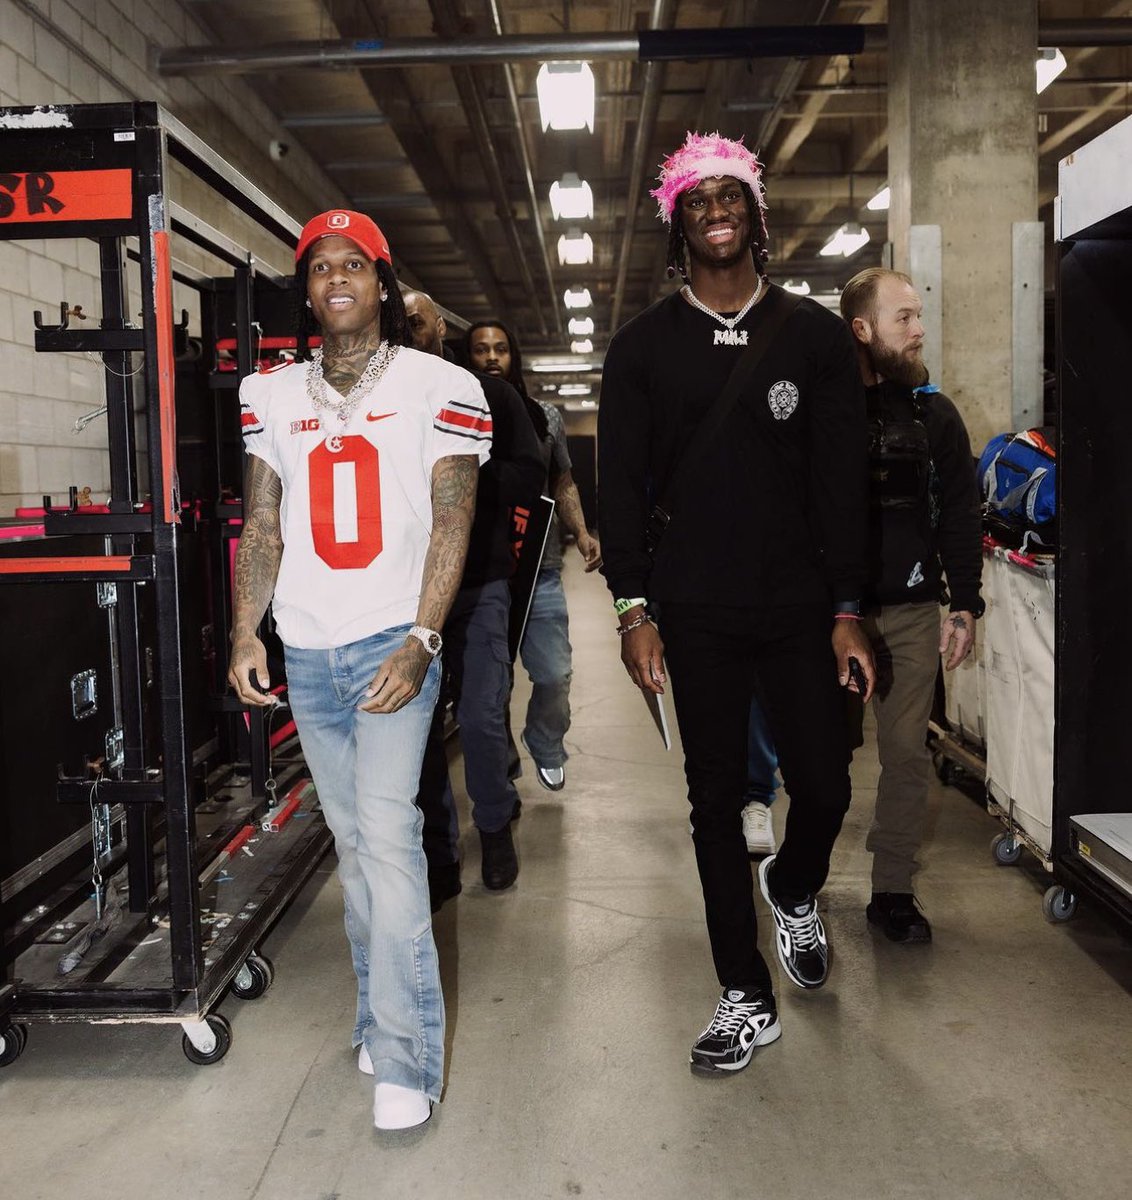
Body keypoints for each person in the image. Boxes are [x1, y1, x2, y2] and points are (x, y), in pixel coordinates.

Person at [598, 131, 875, 1076]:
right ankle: (744, 994)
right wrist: (634, 611)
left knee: (826, 783)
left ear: (757, 214)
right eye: (697, 198)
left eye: (731, 195)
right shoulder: (642, 347)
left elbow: (841, 482)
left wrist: (847, 606)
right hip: (695, 608)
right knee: (713, 801)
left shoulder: (815, 337)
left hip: (799, 604)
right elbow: (619, 489)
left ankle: (793, 887)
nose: (715, 210)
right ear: (677, 222)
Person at [228, 211, 490, 1131]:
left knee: (389, 835)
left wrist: (422, 639)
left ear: (383, 283)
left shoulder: (441, 384)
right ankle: (380, 1016)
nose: (336, 277)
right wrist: (245, 632)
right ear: (307, 291)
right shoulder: (269, 394)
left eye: (354, 264)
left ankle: (408, 1060)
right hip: (307, 650)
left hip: (391, 646)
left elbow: (452, 521)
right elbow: (263, 526)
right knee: (354, 847)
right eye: (320, 267)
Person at [840, 267, 983, 944]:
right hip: (829, 619)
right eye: (904, 318)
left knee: (905, 756)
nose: (920, 329)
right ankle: (801, 880)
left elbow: (960, 512)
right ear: (861, 329)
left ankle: (892, 890)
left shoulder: (936, 415)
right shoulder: (822, 411)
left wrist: (965, 603)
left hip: (912, 610)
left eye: (919, 315)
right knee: (820, 759)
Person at [403, 291, 544, 900]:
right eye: (399, 321)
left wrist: (460, 473)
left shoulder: (487, 394)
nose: (408, 330)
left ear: (440, 327)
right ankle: (439, 852)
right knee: (417, 727)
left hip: (480, 581)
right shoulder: (383, 398)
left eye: (417, 321)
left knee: (483, 717)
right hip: (405, 591)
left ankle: (493, 826)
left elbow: (529, 474)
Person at [466, 320, 601, 790]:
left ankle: (544, 739)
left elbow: (563, 481)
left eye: (501, 348)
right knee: (490, 688)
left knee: (554, 673)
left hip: (539, 570)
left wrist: (581, 531)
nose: (492, 357)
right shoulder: (456, 413)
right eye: (481, 349)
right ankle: (503, 771)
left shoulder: (545, 417)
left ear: (514, 356)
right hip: (481, 573)